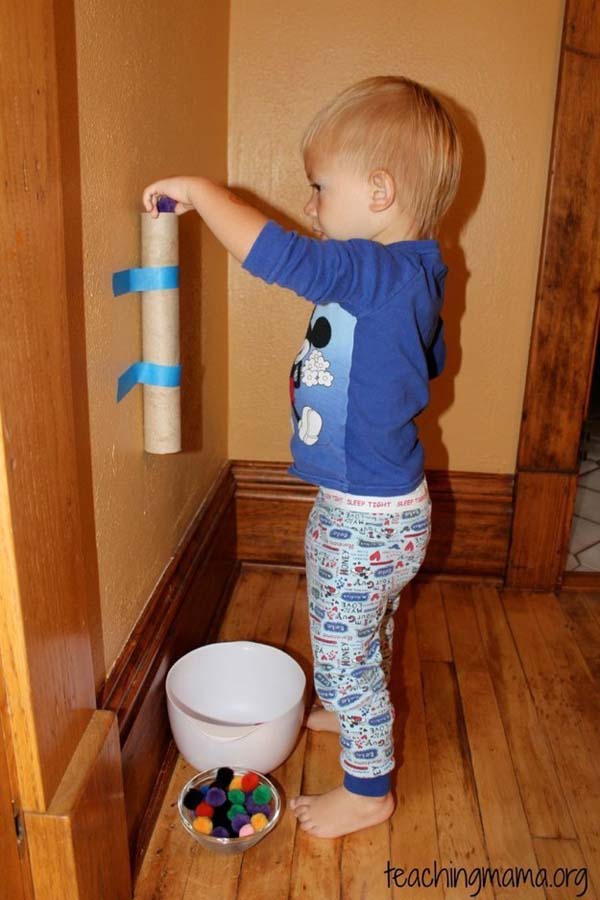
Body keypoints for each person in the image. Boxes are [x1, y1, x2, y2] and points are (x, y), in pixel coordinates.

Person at [142, 75, 462, 839]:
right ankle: (354, 710)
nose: (311, 206)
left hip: (365, 515)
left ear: (380, 192)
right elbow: (431, 357)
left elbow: (284, 258)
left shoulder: (373, 271)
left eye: (320, 187)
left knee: (343, 653)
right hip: (385, 505)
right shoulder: (416, 270)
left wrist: (202, 195)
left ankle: (368, 789)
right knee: (366, 629)